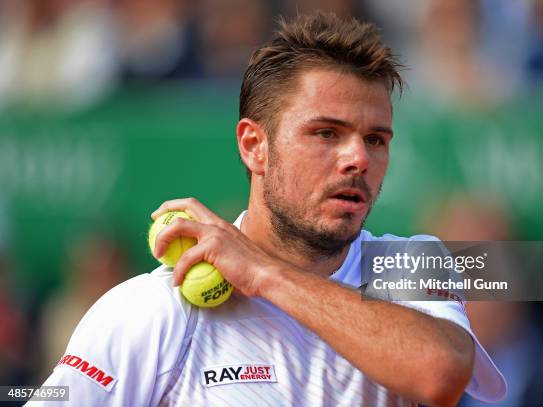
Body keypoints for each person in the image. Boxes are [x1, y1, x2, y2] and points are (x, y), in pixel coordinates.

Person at [33, 12, 506, 406]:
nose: (358, 158)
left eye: (376, 139)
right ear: (254, 145)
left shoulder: (408, 263)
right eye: (326, 133)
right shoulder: (150, 311)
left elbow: (440, 374)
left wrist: (264, 273)